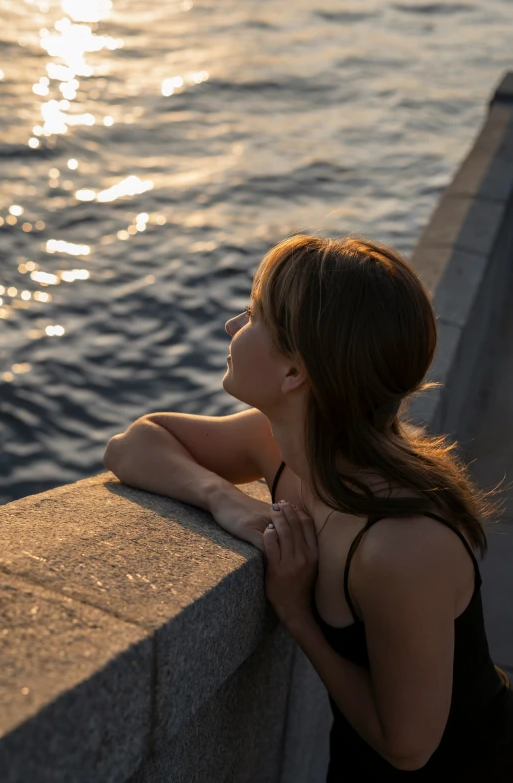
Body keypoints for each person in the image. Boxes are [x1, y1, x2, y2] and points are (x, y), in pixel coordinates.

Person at [105, 233, 513, 780]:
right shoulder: (279, 445)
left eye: (253, 316)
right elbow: (133, 443)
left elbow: (409, 746)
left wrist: (297, 614)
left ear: (295, 373)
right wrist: (224, 501)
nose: (232, 326)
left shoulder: (401, 544)